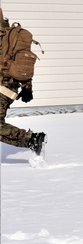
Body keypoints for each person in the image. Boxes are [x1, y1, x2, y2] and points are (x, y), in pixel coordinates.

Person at [0, 9, 46, 155]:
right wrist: (27, 87)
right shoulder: (11, 37)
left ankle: (31, 139)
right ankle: (31, 140)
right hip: (9, 87)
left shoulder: (6, 39)